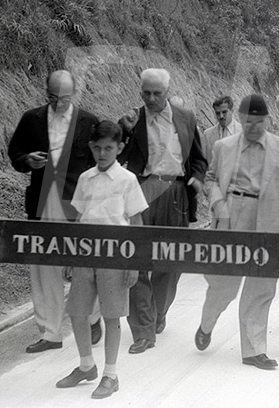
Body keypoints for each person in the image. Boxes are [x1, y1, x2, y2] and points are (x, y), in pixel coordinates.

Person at [195, 94, 279, 370]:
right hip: (233, 213)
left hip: (270, 218)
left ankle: (254, 350)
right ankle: (207, 323)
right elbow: (210, 179)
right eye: (248, 122)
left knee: (262, 286)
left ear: (268, 120)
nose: (254, 127)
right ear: (241, 120)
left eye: (259, 122)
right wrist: (218, 202)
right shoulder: (223, 146)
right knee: (224, 285)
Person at [7, 70, 102, 353]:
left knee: (83, 264)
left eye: (64, 98)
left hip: (76, 203)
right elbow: (15, 153)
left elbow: (101, 161)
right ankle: (50, 333)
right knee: (43, 265)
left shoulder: (89, 122)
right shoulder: (31, 119)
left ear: (74, 94)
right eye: (52, 97)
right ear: (45, 92)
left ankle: (93, 317)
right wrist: (28, 160)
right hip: (42, 200)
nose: (58, 103)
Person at [55, 121, 148, 400]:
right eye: (97, 148)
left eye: (109, 148)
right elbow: (79, 220)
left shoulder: (127, 180)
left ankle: (110, 374)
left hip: (116, 256)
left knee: (111, 315)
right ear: (91, 147)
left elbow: (136, 222)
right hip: (85, 253)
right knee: (77, 311)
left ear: (119, 148)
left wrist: (133, 263)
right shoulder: (85, 179)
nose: (102, 153)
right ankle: (86, 365)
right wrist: (71, 256)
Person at [118, 68, 207, 354]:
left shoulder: (187, 118)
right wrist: (125, 131)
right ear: (140, 90)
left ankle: (158, 311)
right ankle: (143, 331)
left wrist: (197, 178)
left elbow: (198, 159)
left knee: (171, 262)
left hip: (175, 193)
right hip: (141, 190)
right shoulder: (132, 119)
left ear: (168, 92)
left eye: (157, 93)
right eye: (146, 93)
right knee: (136, 259)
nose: (151, 98)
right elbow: (114, 154)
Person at [201, 95, 241, 165]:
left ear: (232, 111)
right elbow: (202, 163)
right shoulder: (207, 135)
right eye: (218, 113)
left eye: (224, 112)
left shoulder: (243, 132)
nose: (221, 116)